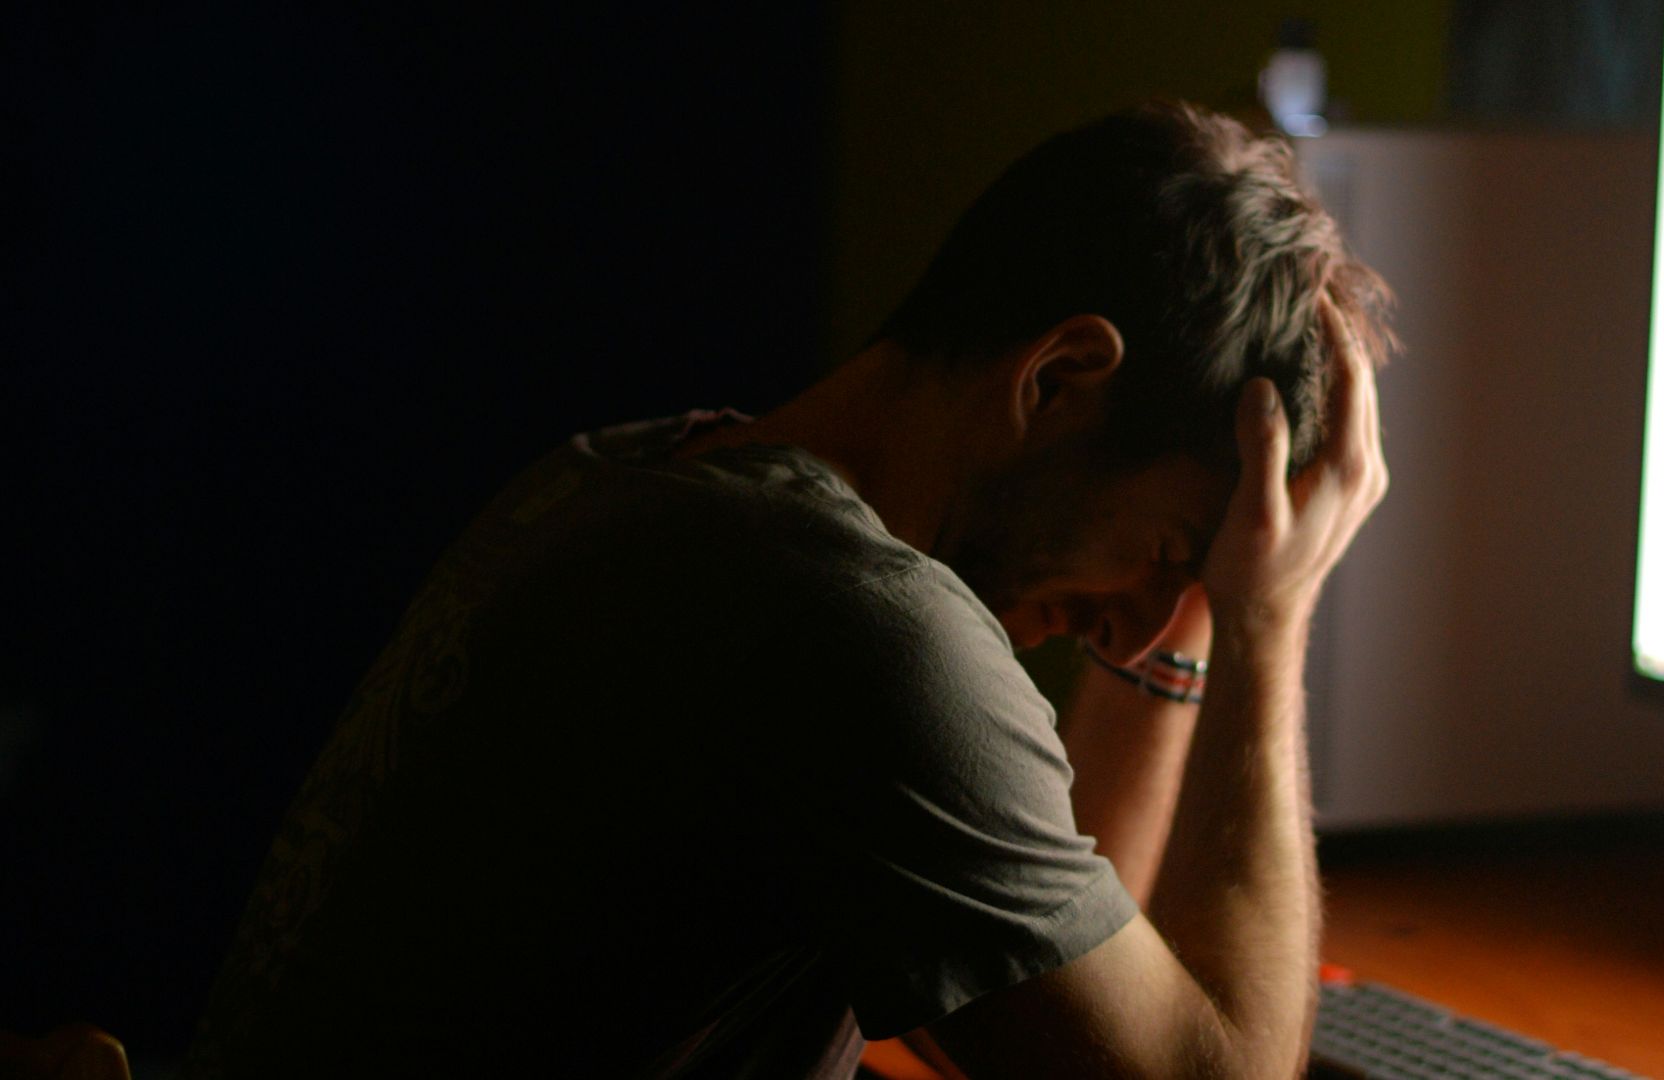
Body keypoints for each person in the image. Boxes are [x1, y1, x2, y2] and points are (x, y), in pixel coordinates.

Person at [183, 100, 1392, 1079]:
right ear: (1059, 379)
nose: (1140, 620)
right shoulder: (861, 628)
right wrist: (1266, 624)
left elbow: (1022, 994)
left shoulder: (637, 479)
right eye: (1175, 553)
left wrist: (1185, 623)